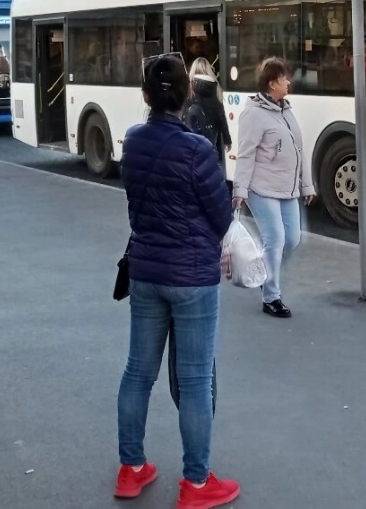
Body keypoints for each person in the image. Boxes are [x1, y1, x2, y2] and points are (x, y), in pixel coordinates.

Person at [115, 54, 239, 509]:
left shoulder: (133, 141)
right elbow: (221, 215)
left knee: (138, 372)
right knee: (194, 380)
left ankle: (131, 469)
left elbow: (134, 203)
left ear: (145, 96)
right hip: (192, 278)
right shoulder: (196, 149)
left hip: (146, 270)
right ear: (187, 94)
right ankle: (197, 484)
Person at [233, 57, 315, 319]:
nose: (288, 82)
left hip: (287, 189)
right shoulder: (253, 115)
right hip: (262, 188)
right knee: (276, 239)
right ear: (271, 84)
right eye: (283, 79)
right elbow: (245, 155)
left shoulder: (286, 110)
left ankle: (264, 266)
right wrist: (240, 190)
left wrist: (307, 185)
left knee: (291, 239)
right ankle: (271, 297)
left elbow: (299, 151)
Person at [183, 58, 232, 164]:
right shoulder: (215, 87)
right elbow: (221, 116)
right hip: (211, 136)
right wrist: (227, 139)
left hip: (192, 138)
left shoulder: (188, 88)